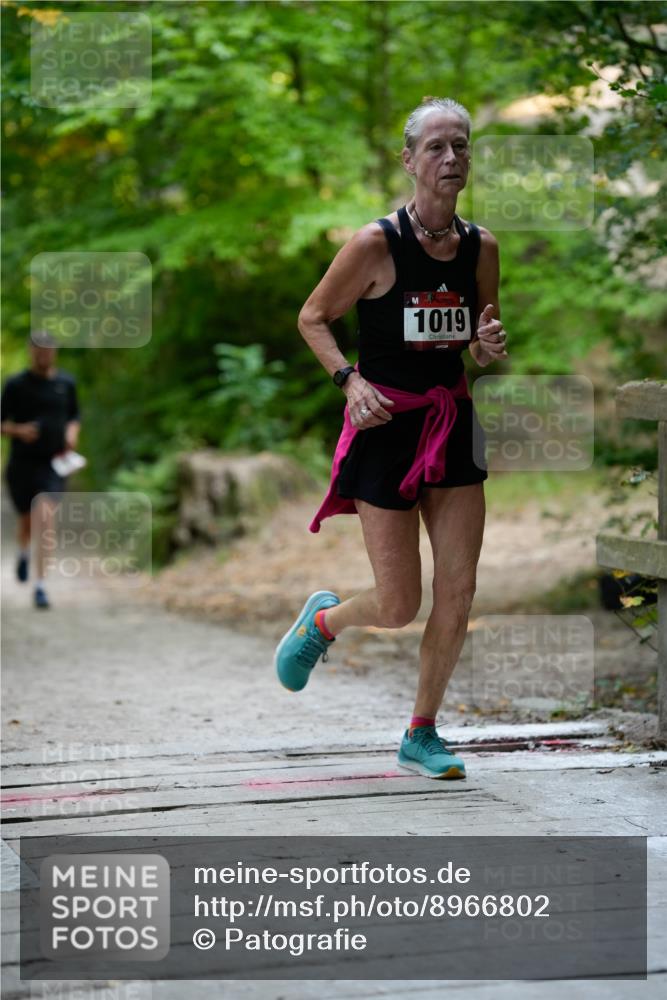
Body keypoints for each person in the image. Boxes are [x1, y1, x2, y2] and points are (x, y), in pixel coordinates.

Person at [274, 97, 508, 779]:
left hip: (451, 422)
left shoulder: (480, 247)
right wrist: (348, 381)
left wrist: (487, 346)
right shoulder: (375, 244)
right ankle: (322, 623)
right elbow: (312, 317)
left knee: (458, 589)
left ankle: (421, 731)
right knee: (400, 604)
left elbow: (477, 340)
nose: (450, 158)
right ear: (408, 160)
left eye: (460, 146)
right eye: (434, 147)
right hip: (384, 428)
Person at [1, 332, 81, 609]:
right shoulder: (15, 385)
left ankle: (41, 585)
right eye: (39, 351)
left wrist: (72, 433)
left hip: (53, 464)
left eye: (49, 351)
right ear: (31, 352)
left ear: (55, 352)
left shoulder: (66, 383)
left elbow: (74, 416)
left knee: (45, 519)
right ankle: (23, 552)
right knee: (27, 521)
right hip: (21, 465)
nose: (44, 355)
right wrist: (18, 430)